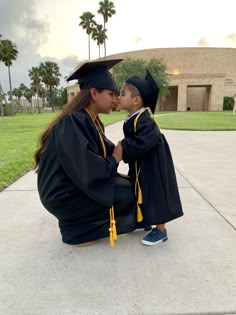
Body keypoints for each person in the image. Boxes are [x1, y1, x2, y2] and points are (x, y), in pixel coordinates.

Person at [34, 59, 138, 248]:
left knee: (131, 185)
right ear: (93, 93)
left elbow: (97, 157)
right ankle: (76, 231)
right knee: (128, 193)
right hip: (63, 196)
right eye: (111, 94)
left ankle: (77, 225)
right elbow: (88, 168)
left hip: (71, 187)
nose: (115, 100)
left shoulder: (90, 120)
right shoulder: (72, 123)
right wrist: (115, 158)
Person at [119, 70, 184, 246]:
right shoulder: (133, 118)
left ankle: (161, 230)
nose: (118, 97)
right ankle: (145, 219)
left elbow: (144, 143)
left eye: (122, 94)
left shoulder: (145, 120)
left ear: (136, 100)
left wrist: (123, 147)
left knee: (154, 193)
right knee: (139, 189)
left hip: (153, 165)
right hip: (141, 163)